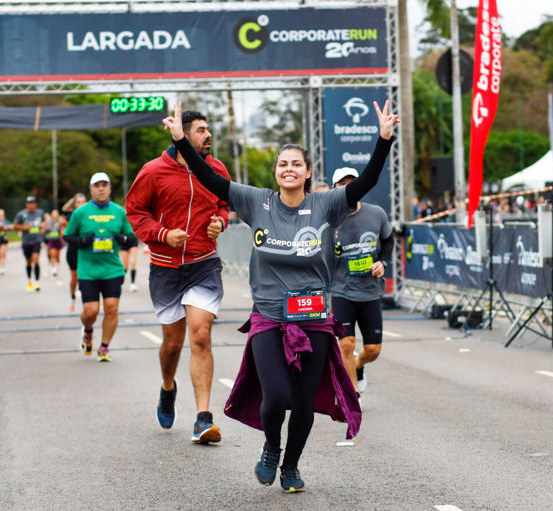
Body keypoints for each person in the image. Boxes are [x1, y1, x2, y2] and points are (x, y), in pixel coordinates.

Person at [162, 100, 397, 492]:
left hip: (315, 317)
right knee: (276, 395)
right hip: (270, 316)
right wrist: (181, 143)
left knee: (304, 403)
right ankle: (271, 447)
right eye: (282, 164)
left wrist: (384, 139)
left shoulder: (326, 204)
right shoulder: (258, 201)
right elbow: (209, 179)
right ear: (276, 172)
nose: (288, 169)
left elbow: (366, 181)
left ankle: (291, 465)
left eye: (296, 164)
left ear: (307, 173)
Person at [125, 109, 230, 444]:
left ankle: (202, 418)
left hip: (204, 263)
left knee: (200, 336)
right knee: (172, 344)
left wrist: (221, 222)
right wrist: (161, 234)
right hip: (166, 268)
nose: (208, 135)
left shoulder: (215, 168)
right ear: (182, 135)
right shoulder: (153, 171)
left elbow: (225, 203)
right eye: (201, 130)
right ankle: (168, 387)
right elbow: (135, 210)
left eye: (208, 129)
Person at [329, 167, 394, 404]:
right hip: (341, 290)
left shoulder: (376, 214)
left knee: (373, 350)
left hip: (370, 291)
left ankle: (358, 365)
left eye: (352, 184)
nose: (349, 189)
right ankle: (351, 393)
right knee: (346, 343)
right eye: (342, 184)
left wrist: (383, 263)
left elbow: (388, 240)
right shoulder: (327, 219)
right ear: (334, 188)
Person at [64, 172, 134, 362]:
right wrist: (82, 241)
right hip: (88, 270)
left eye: (105, 185)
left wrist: (123, 239)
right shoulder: (80, 213)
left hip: (112, 268)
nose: (101, 188)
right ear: (91, 190)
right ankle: (87, 331)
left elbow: (131, 236)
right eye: (97, 185)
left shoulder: (119, 212)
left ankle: (104, 347)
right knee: (91, 311)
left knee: (111, 308)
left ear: (110, 189)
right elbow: (67, 236)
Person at [14, 196, 45, 292]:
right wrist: (24, 228)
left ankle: (37, 282)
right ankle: (29, 281)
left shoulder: (40, 213)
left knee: (35, 260)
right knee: (28, 262)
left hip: (36, 240)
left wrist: (43, 226)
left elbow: (44, 222)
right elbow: (15, 225)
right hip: (26, 241)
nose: (31, 205)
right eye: (29, 203)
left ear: (35, 204)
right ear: (27, 204)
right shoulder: (21, 214)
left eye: (33, 203)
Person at [63, 193, 88, 311]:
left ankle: (87, 302)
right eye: (78, 202)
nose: (81, 204)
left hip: (87, 250)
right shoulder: (69, 217)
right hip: (74, 250)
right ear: (74, 205)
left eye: (83, 202)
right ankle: (72, 297)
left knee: (86, 277)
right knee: (75, 278)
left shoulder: (91, 216)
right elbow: (65, 235)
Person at [43, 209, 66, 277]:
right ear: (52, 215)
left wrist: (60, 229)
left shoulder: (60, 223)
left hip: (58, 241)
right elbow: (44, 231)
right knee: (53, 254)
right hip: (51, 240)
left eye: (56, 213)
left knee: (57, 256)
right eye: (53, 213)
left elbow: (63, 231)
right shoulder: (49, 223)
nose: (55, 215)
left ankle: (57, 265)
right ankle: (53, 268)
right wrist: (47, 229)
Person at [0, 209, 10, 275]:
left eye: (2, 215)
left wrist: (5, 227)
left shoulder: (5, 221)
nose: (1, 216)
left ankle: (2, 267)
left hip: (4, 239)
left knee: (2, 253)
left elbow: (11, 226)